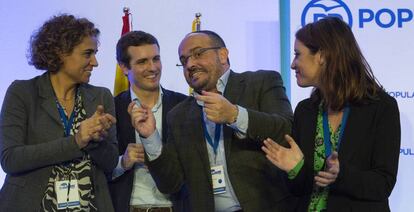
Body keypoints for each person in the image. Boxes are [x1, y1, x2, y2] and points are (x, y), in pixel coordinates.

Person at [130, 30, 295, 211]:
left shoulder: (261, 82)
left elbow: (286, 130)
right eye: (184, 60)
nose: (190, 64)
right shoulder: (178, 115)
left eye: (198, 54)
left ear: (222, 55)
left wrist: (235, 115)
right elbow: (171, 184)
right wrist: (151, 137)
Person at [262, 17, 401, 211]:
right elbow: (299, 189)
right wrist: (295, 169)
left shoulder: (381, 107)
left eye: (297, 54)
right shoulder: (305, 110)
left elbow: (383, 184)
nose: (293, 64)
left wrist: (341, 175)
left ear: (322, 56)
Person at [0, 14, 118, 211]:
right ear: (61, 52)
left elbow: (111, 162)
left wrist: (95, 140)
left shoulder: (101, 97)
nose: (95, 62)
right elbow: (10, 159)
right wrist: (77, 141)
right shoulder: (22, 92)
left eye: (95, 53)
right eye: (88, 54)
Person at [108, 31, 186, 212]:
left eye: (156, 59)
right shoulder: (112, 109)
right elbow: (96, 171)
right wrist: (122, 162)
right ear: (124, 67)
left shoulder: (183, 106)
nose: (153, 68)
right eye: (142, 62)